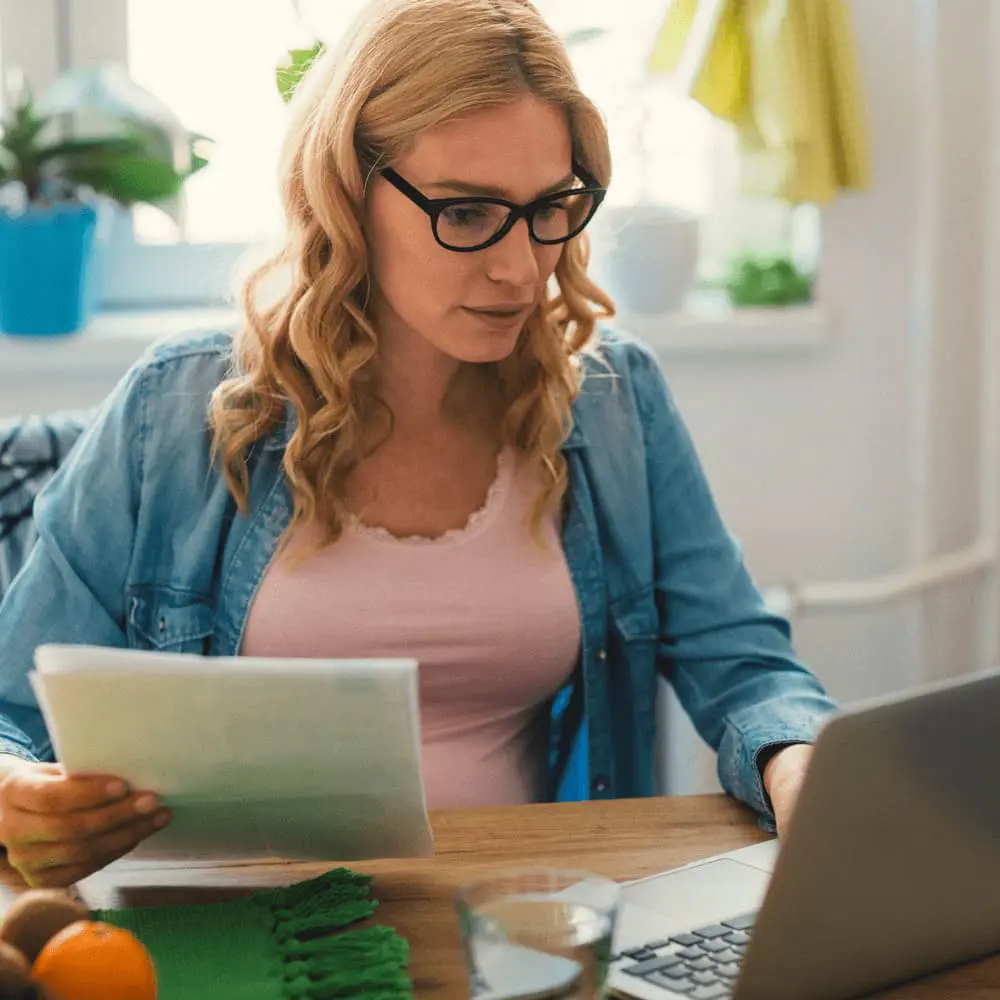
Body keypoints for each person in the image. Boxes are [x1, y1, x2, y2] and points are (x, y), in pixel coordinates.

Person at [0, 0, 837, 889]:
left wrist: (797, 757)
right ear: (345, 192)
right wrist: (16, 791)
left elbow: (743, 663)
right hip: (245, 928)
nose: (520, 268)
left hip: (523, 926)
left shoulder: (614, 403)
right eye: (468, 213)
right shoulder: (174, 409)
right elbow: (11, 709)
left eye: (551, 207)